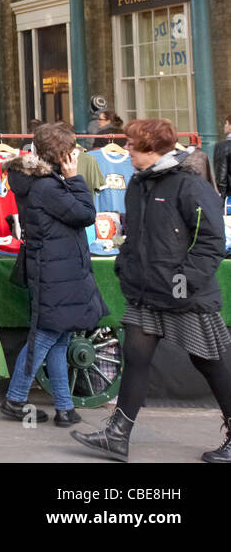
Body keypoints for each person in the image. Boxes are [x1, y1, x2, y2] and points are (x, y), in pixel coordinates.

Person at [73, 118, 231, 463]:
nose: (126, 149)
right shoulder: (139, 184)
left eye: (132, 144)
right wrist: (125, 267)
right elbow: (135, 236)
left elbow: (211, 242)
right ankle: (117, 435)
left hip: (185, 296)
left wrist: (182, 283)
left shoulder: (190, 186)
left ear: (151, 147)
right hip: (145, 294)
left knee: (211, 364)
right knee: (136, 358)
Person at [0, 123, 106, 427]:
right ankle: (15, 399)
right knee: (47, 335)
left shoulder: (37, 182)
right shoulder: (48, 186)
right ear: (62, 155)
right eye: (72, 151)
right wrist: (75, 179)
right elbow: (86, 215)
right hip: (58, 270)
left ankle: (65, 406)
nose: (76, 156)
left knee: (59, 335)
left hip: (55, 267)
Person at [212, 115, 231, 199]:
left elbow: (221, 177)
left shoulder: (222, 147)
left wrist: (221, 199)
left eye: (226, 123)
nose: (225, 125)